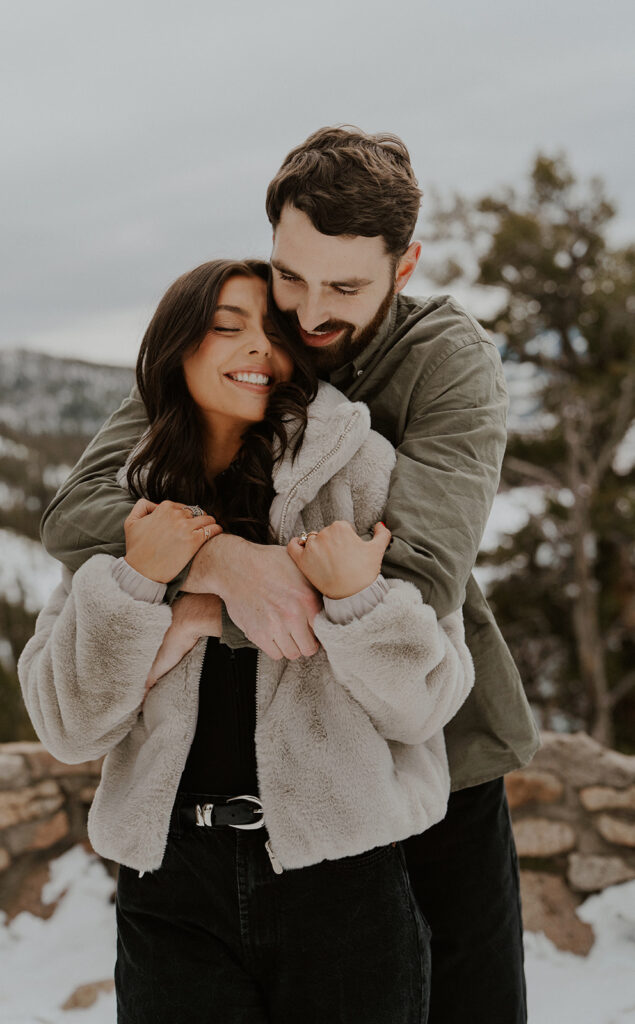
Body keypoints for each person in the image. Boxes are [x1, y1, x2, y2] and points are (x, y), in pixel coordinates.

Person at [40, 127, 540, 1023]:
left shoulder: (446, 361)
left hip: (432, 745)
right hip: (256, 797)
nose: (306, 316)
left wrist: (201, 607)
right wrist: (222, 564)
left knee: (467, 997)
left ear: (405, 264)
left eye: (343, 288)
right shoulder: (241, 336)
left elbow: (416, 580)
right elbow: (81, 512)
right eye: (290, 276)